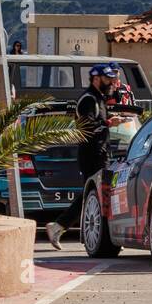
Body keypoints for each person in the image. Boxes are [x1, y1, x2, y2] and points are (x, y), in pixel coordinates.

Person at [46, 65, 111, 249]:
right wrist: (107, 123)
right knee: (92, 195)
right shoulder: (88, 100)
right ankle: (59, 225)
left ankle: (60, 226)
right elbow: (87, 126)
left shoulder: (98, 98)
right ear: (96, 79)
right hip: (91, 155)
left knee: (93, 195)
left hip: (100, 153)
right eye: (108, 79)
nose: (111, 82)